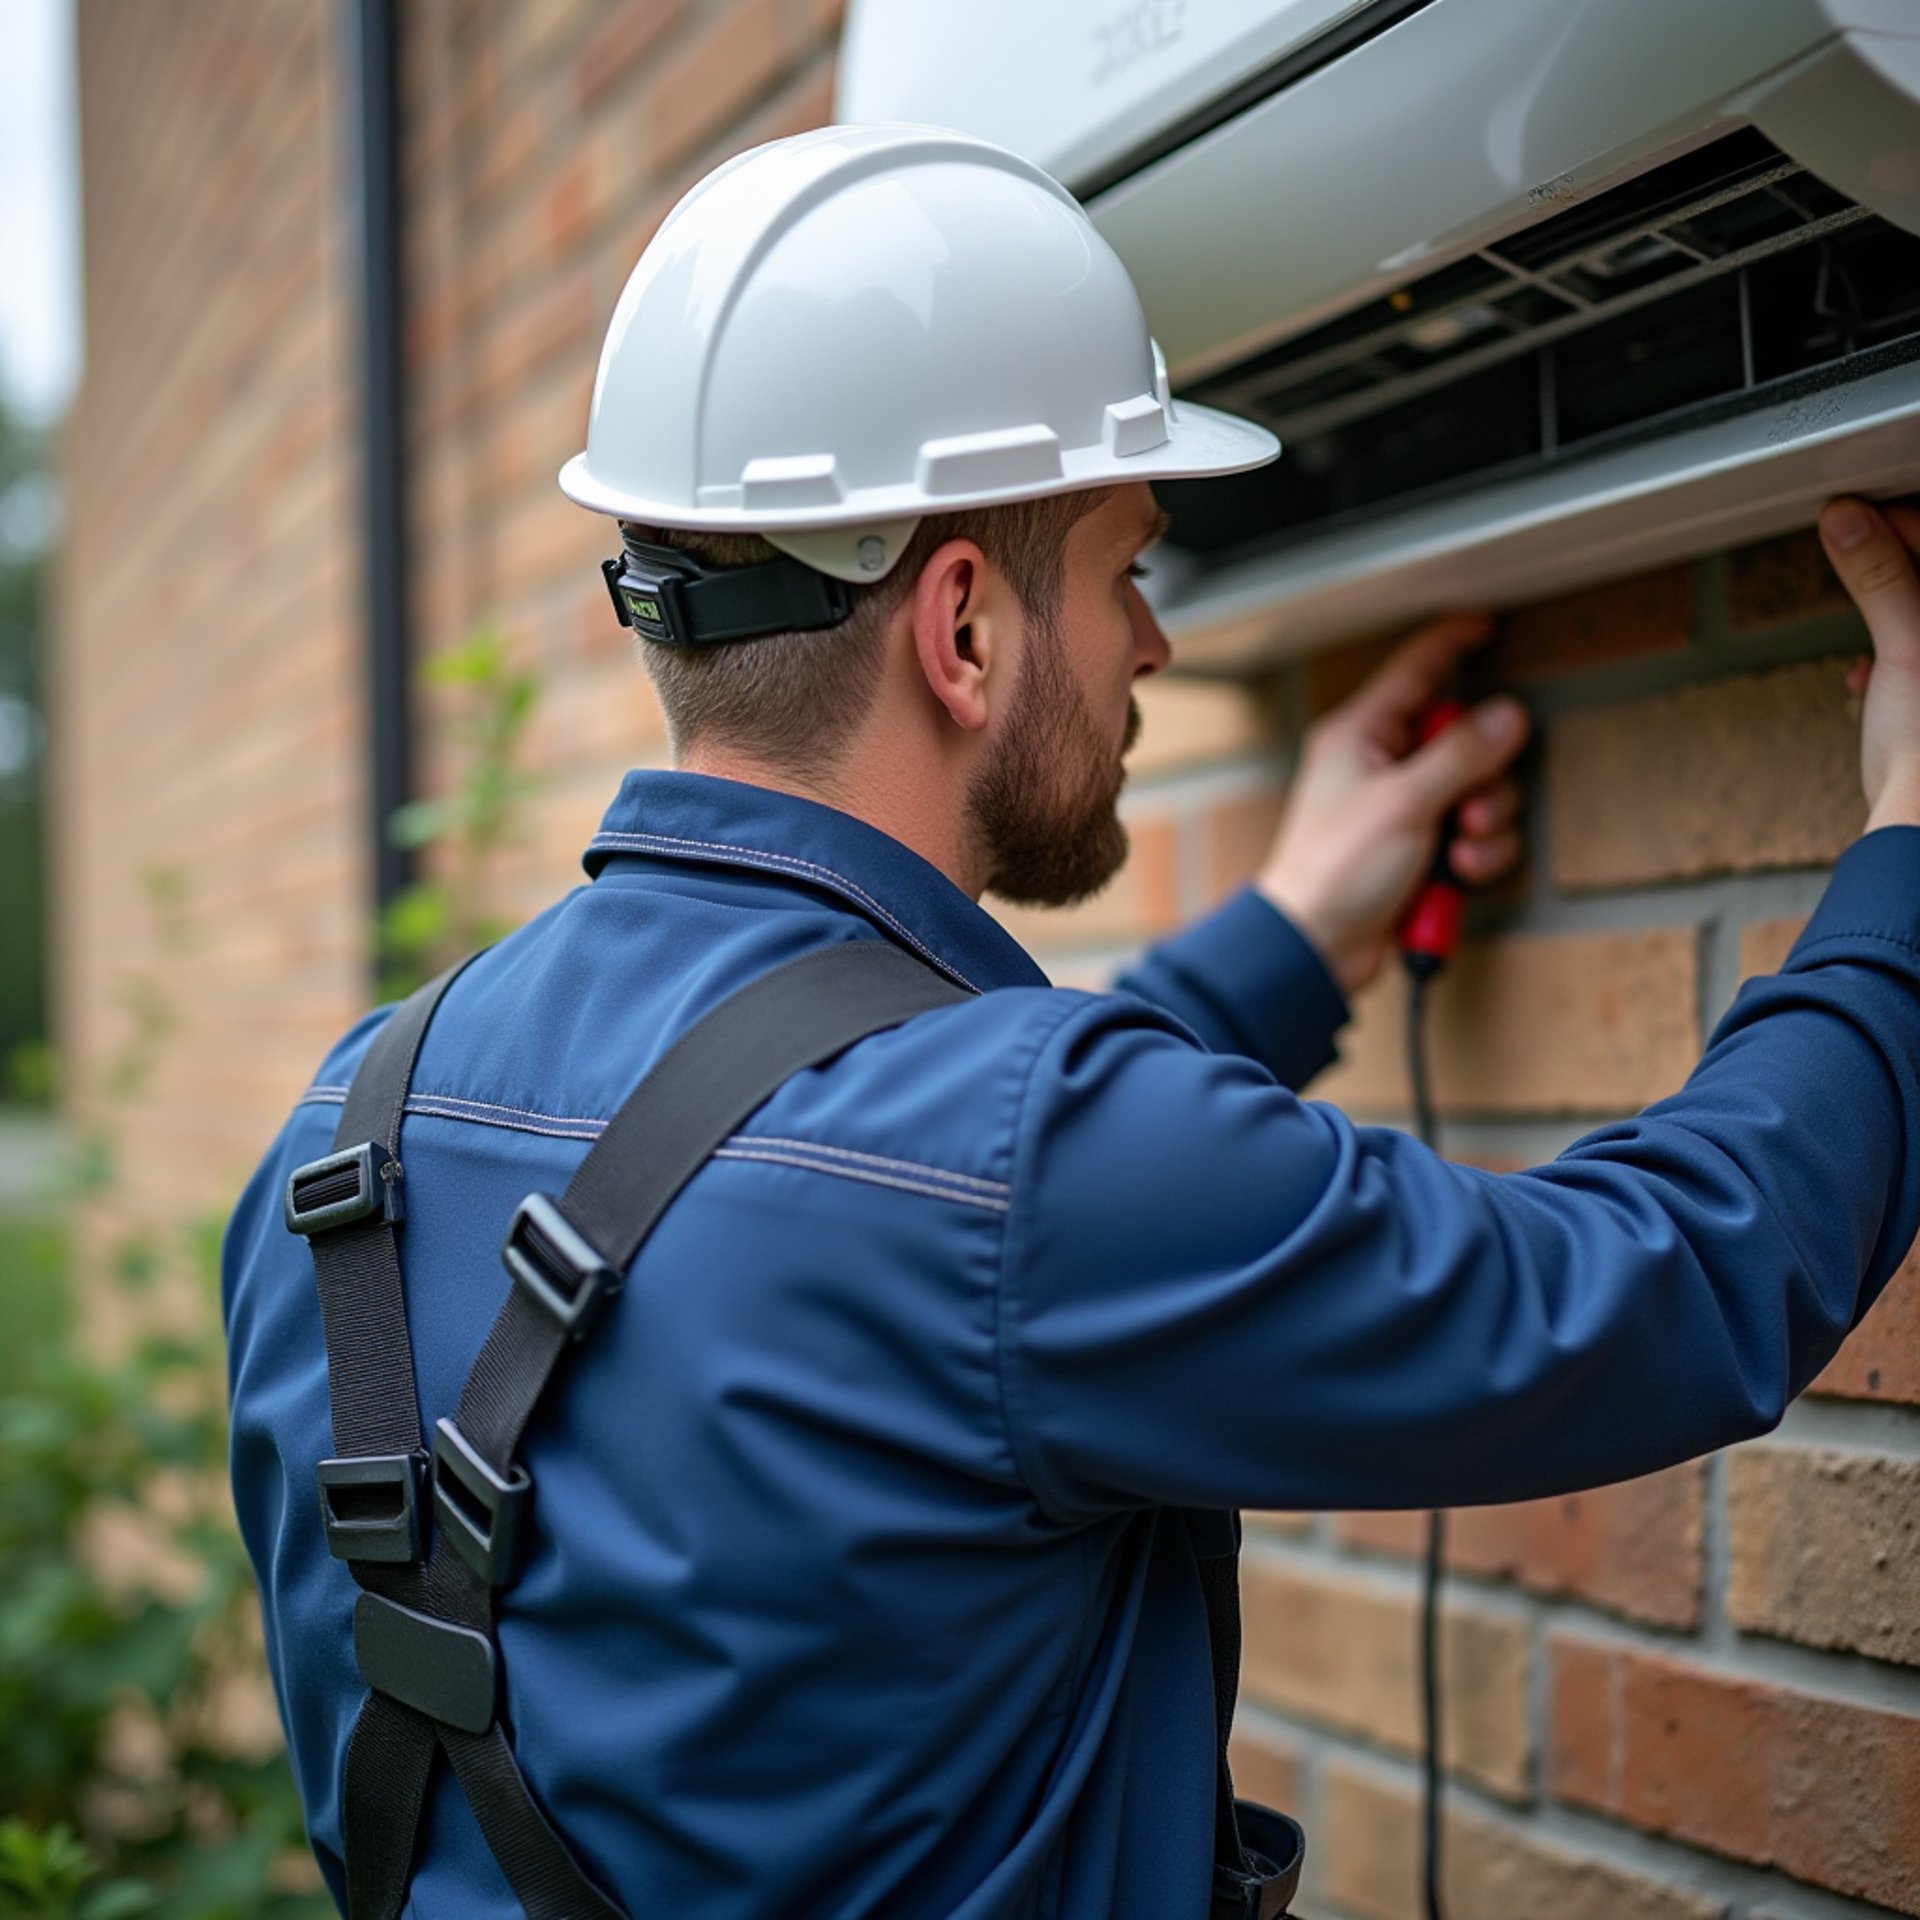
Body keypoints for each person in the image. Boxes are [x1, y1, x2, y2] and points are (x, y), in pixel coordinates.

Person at [223, 125, 1920, 1920]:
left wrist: (1289, 936)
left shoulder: (344, 1135)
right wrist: (1902, 867)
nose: (1151, 649)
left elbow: (866, 1173)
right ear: (960, 628)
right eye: (1128, 568)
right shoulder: (1019, 1168)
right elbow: (1650, 1289)